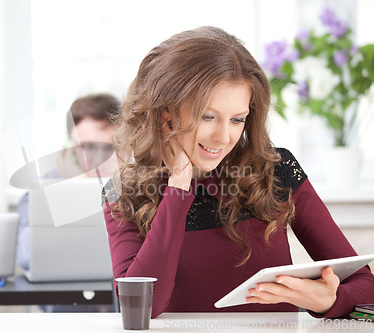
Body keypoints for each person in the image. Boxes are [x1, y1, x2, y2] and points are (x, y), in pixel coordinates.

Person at [102, 26, 374, 319]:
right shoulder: (124, 192)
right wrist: (179, 186)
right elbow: (142, 307)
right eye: (208, 116)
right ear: (165, 115)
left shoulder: (276, 170)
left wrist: (329, 301)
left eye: (237, 119)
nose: (223, 137)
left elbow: (365, 284)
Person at [16, 93, 120, 270]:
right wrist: (77, 187)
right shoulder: (39, 192)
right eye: (88, 147)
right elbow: (27, 257)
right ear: (68, 145)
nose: (99, 159)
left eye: (111, 148)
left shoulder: (142, 188)